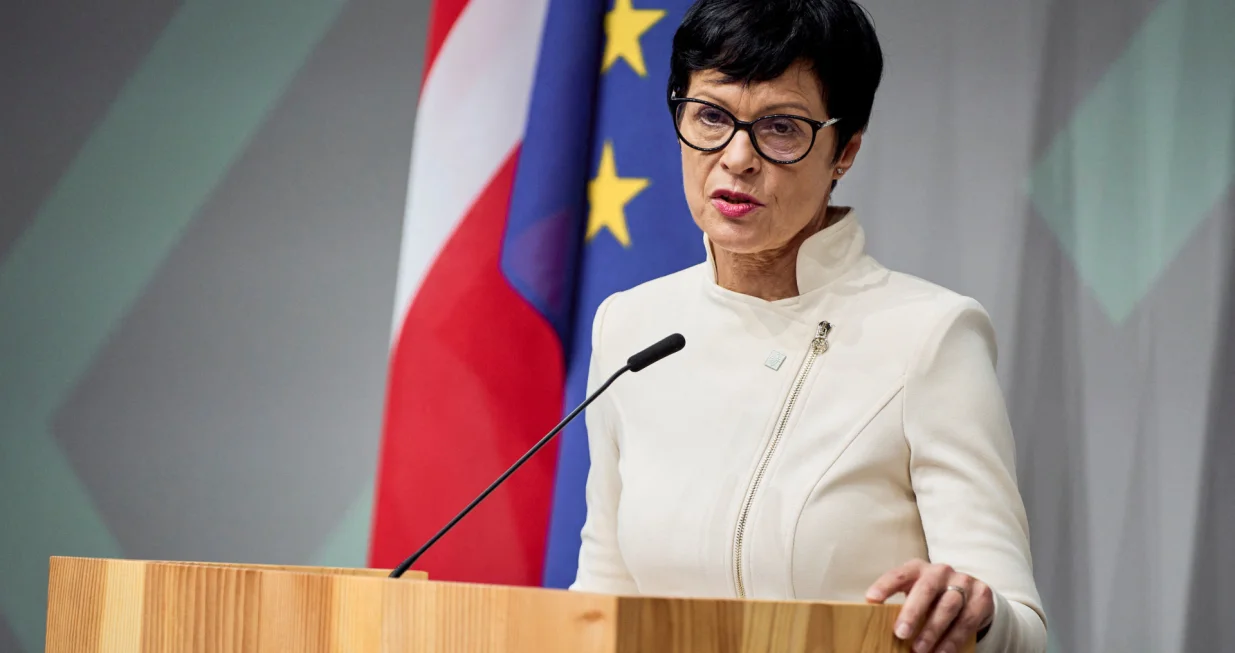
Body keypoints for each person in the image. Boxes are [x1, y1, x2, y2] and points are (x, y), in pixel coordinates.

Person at [567, 1, 1048, 652]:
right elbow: (603, 590)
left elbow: (1022, 628)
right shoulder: (632, 325)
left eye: (781, 128)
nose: (736, 157)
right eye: (710, 116)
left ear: (844, 150)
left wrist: (978, 615)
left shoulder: (929, 335)